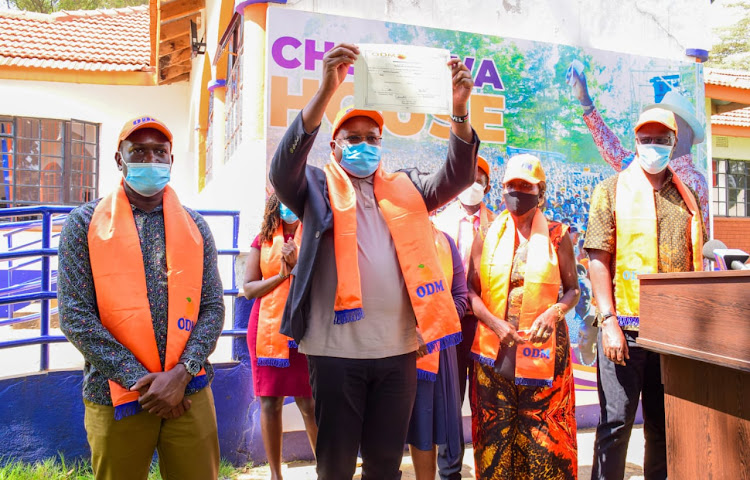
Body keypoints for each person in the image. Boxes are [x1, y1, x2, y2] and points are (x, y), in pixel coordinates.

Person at [269, 42, 479, 479]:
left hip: (398, 352)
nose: (364, 145)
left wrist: (459, 110)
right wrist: (327, 89)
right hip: (333, 354)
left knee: (385, 466)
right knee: (336, 465)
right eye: (354, 138)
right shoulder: (314, 186)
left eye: (372, 138)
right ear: (335, 144)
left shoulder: (407, 188)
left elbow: (459, 176)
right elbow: (281, 171)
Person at [58, 116, 225, 480]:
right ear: (120, 159)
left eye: (158, 152)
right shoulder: (84, 224)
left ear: (170, 159)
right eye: (138, 151)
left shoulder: (195, 228)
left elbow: (212, 307)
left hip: (189, 391)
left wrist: (182, 374)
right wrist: (145, 382)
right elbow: (74, 316)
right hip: (116, 395)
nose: (150, 160)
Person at [584, 108, 704, 480]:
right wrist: (608, 322)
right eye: (646, 139)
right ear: (635, 141)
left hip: (672, 334)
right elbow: (598, 258)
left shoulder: (686, 197)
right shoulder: (610, 190)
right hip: (626, 331)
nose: (653, 146)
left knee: (663, 426)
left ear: (673, 143)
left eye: (661, 139)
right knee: (616, 425)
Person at [467, 154, 580, 479]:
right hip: (494, 358)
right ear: (501, 191)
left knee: (544, 443)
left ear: (540, 192)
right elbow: (470, 293)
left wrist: (555, 312)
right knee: (496, 442)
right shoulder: (486, 235)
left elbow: (573, 290)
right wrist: (494, 322)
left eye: (525, 187)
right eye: (511, 186)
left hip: (545, 358)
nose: (517, 193)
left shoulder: (558, 236)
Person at [568, 67, 709, 236]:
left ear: (686, 132)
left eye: (670, 121)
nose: (662, 125)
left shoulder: (692, 181)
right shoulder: (642, 166)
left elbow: (696, 240)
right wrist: (586, 102)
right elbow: (613, 151)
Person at [242, 193, 317, 479]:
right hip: (267, 328)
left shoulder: (313, 235)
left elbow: (321, 279)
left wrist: (298, 264)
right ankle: (276, 474)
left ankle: (325, 469)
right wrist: (282, 277)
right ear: (275, 203)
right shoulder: (262, 239)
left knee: (308, 402)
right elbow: (249, 289)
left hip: (303, 328)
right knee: (270, 403)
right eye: (283, 198)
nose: (288, 206)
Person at [431, 153, 495, 477]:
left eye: (480, 179)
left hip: (484, 325)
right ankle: (450, 470)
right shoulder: (440, 223)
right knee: (449, 401)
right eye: (469, 178)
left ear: (487, 186)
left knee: (485, 399)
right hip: (450, 324)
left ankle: (488, 465)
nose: (474, 185)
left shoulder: (498, 225)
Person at [406, 226, 468, 480]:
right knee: (406, 425)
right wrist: (409, 330)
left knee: (429, 422)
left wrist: (431, 329)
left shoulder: (445, 242)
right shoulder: (390, 236)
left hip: (439, 349)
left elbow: (461, 296)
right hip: (399, 347)